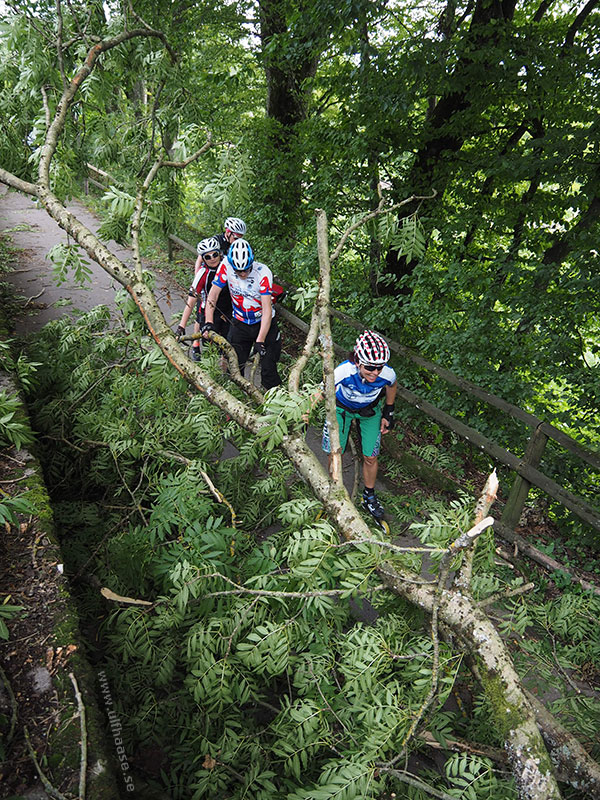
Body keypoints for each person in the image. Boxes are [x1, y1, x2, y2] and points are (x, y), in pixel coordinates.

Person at [318, 330, 397, 521]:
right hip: (341, 409)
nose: (376, 373)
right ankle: (334, 490)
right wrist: (303, 415)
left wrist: (389, 411)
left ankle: (369, 495)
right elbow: (320, 393)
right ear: (358, 362)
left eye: (380, 367)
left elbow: (392, 385)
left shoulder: (387, 374)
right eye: (370, 367)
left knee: (371, 456)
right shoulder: (343, 371)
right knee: (335, 452)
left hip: (369, 411)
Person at [201, 239, 282, 389]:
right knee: (234, 366)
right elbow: (212, 296)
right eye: (239, 271)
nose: (243, 273)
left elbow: (267, 309)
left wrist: (260, 340)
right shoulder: (226, 266)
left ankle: (275, 404)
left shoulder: (263, 272)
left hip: (264, 324)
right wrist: (208, 322)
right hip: (240, 323)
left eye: (246, 269)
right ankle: (235, 402)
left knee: (268, 369)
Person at [175, 237, 232, 361]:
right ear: (203, 258)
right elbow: (190, 302)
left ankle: (225, 374)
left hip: (228, 310)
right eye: (207, 257)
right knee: (210, 350)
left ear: (220, 253)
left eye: (215, 254)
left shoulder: (229, 264)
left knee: (228, 348)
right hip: (208, 313)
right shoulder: (202, 274)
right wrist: (181, 327)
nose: (212, 258)